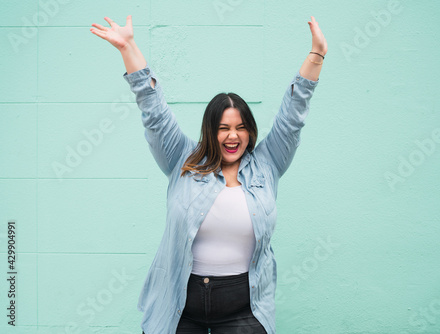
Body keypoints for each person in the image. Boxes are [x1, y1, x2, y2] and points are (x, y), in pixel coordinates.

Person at [90, 14, 327, 334]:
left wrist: (316, 55)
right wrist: (129, 48)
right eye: (224, 128)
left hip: (243, 308)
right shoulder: (182, 158)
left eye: (241, 127)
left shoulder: (268, 163)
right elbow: (154, 113)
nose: (233, 136)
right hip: (179, 306)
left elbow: (292, 116)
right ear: (209, 130)